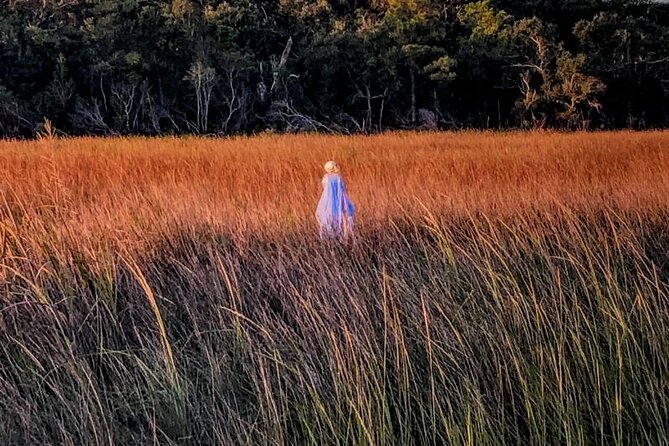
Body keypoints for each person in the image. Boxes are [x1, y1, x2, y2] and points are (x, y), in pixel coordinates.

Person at [316, 161, 355, 240]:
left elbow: (324, 187)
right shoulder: (339, 177)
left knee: (327, 215)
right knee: (342, 215)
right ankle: (342, 235)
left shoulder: (326, 177)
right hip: (339, 198)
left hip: (328, 199)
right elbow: (343, 188)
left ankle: (329, 235)